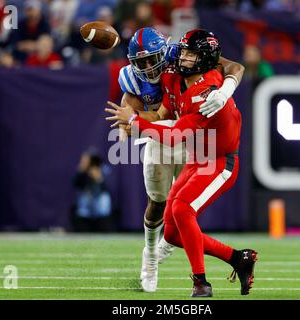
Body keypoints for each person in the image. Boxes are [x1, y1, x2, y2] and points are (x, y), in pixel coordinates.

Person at [106, 29, 257, 297]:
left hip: (215, 158)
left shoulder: (207, 89)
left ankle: (201, 282)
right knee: (171, 226)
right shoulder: (176, 72)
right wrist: (129, 119)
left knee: (183, 209)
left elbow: (176, 133)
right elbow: (164, 113)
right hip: (193, 151)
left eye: (191, 55)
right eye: (183, 53)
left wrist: (134, 122)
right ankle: (237, 258)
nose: (184, 58)